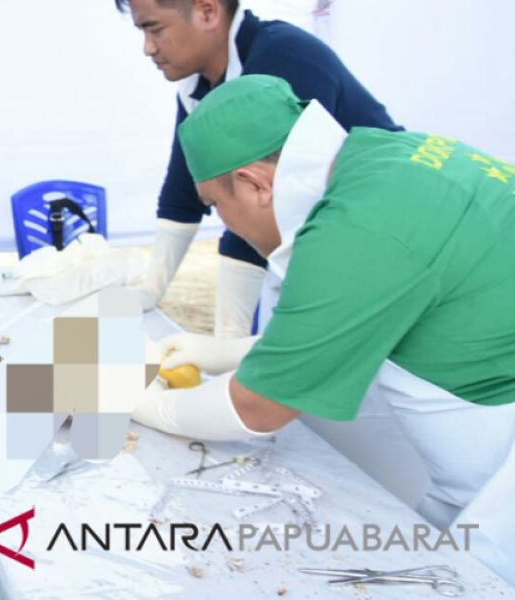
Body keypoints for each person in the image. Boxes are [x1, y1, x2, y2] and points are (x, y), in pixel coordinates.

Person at [132, 75, 515, 584]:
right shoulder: (385, 155)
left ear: (255, 183)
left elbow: (259, 407)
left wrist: (145, 405)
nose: (223, 223)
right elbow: (359, 312)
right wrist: (226, 353)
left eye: (216, 206)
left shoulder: (359, 225)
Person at [113, 0, 398, 337]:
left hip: (381, 237)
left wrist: (227, 340)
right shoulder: (197, 89)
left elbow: (260, 207)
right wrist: (150, 289)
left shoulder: (281, 59)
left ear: (207, 11)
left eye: (155, 29)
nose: (148, 48)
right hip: (325, 246)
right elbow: (183, 195)